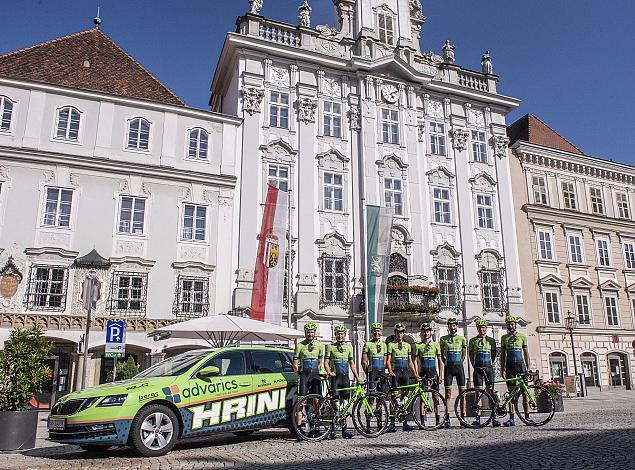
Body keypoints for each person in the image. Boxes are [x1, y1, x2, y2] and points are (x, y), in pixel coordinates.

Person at [325, 325, 361, 439]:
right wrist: (329, 372)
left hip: (345, 379)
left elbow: (352, 364)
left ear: (345, 335)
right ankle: (332, 430)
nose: (340, 336)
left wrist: (357, 376)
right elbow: (325, 362)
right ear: (335, 335)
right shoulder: (330, 347)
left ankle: (344, 430)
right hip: (335, 379)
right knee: (335, 405)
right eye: (338, 334)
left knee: (345, 404)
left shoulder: (349, 347)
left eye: (342, 334)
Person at [500, 315, 531, 427]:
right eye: (508, 324)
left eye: (512, 324)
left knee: (525, 392)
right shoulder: (504, 338)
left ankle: (527, 417)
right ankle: (512, 418)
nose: (510, 326)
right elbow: (502, 355)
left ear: (515, 325)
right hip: (509, 367)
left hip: (521, 366)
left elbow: (526, 353)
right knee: (511, 393)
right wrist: (502, 369)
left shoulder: (522, 337)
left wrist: (529, 367)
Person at [293, 322, 325, 432]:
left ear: (314, 333)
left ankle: (315, 427)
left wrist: (319, 372)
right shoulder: (300, 346)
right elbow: (295, 364)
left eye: (312, 332)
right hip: (304, 376)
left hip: (315, 375)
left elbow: (320, 362)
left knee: (317, 401)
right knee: (301, 402)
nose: (310, 334)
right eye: (308, 332)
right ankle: (299, 430)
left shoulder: (320, 345)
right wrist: (299, 374)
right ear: (305, 333)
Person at [468, 318, 499, 426]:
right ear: (477, 328)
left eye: (484, 327)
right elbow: (471, 355)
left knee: (491, 392)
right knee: (478, 393)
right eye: (480, 327)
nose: (482, 329)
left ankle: (494, 417)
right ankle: (477, 418)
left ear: (486, 328)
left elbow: (494, 355)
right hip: (478, 369)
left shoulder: (491, 341)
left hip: (488, 368)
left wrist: (488, 364)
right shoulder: (472, 341)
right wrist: (475, 365)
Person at [386, 324, 417, 432]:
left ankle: (405, 423)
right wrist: (390, 371)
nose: (400, 334)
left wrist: (416, 374)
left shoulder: (407, 345)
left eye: (401, 332)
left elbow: (410, 362)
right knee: (394, 397)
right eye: (398, 332)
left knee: (405, 397)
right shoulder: (390, 345)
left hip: (406, 373)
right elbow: (388, 360)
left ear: (403, 333)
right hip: (396, 372)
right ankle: (392, 423)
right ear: (395, 333)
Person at [414, 322, 444, 427]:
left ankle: (437, 421)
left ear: (431, 332)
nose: (426, 333)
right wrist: (417, 374)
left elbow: (440, 361)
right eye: (424, 332)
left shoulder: (436, 344)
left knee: (436, 398)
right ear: (421, 333)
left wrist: (441, 375)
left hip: (433, 373)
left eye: (427, 331)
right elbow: (415, 361)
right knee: (423, 398)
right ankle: (422, 422)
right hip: (423, 374)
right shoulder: (418, 346)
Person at [439, 317, 467, 428]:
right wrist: (446, 362)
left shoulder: (462, 339)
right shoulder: (443, 339)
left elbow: (464, 353)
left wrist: (461, 361)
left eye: (454, 325)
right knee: (448, 394)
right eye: (450, 325)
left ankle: (462, 417)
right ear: (448, 327)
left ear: (456, 326)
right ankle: (447, 417)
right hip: (448, 368)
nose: (452, 327)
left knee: (462, 393)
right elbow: (442, 354)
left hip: (459, 367)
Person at [361, 322, 388, 393]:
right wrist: (367, 373)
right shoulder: (367, 344)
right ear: (371, 332)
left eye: (378, 330)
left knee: (381, 395)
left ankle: (380, 404)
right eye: (374, 331)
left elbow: (385, 361)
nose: (376, 333)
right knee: (371, 394)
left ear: (381, 332)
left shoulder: (384, 345)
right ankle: (370, 403)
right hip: (372, 372)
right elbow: (364, 362)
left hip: (382, 371)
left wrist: (382, 369)